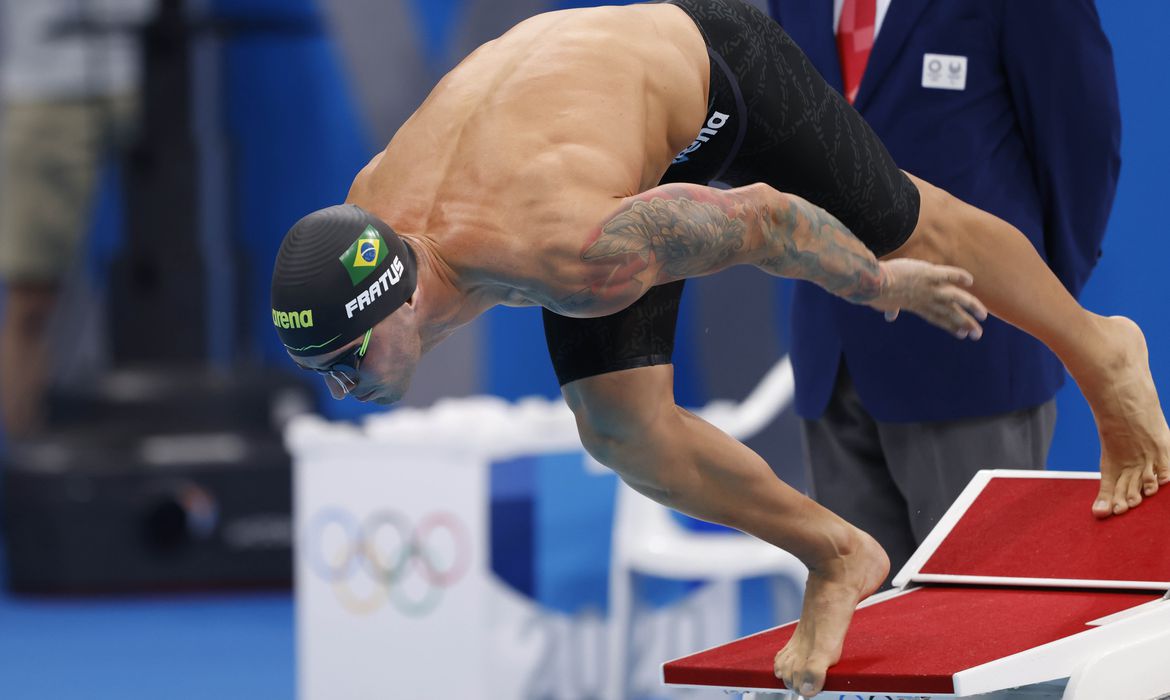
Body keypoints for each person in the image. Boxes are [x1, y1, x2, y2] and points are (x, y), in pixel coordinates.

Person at [268, 0, 1170, 696]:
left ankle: (1103, 354)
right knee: (622, 431)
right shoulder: (373, 208)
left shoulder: (568, 251)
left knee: (914, 227)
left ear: (397, 302)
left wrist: (875, 282)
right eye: (324, 372)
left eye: (348, 360)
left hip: (705, 66)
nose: (344, 388)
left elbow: (765, 219)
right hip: (581, 132)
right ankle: (837, 553)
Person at [768, 0, 1122, 582]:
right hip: (830, 355)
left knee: (985, 630)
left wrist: (1033, 302)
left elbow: (1083, 149)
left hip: (973, 353)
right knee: (859, 640)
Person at [0, 0, 148, 438]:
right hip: (45, 87)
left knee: (164, 285)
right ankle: (22, 475)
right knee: (31, 298)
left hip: (149, 75)